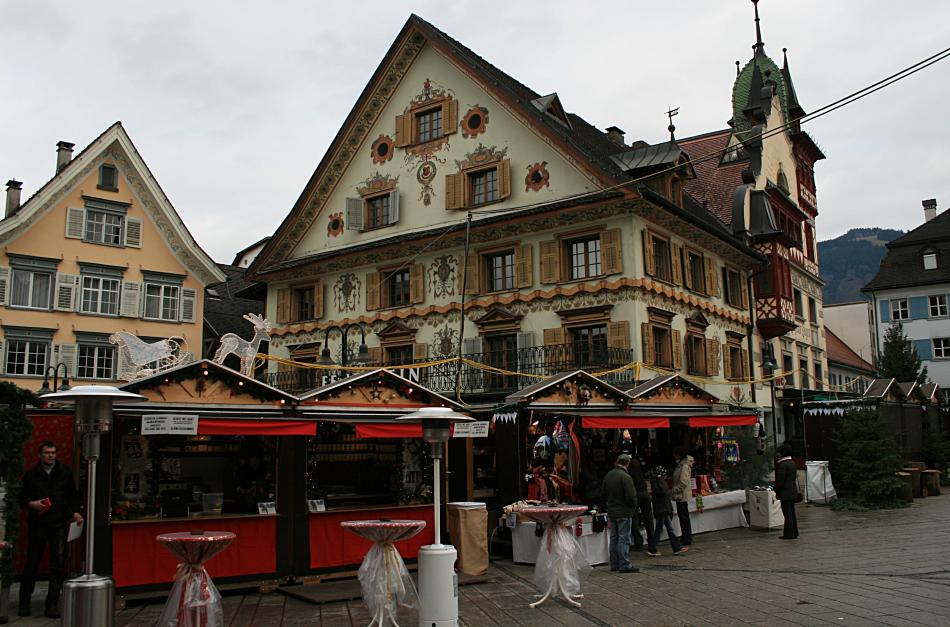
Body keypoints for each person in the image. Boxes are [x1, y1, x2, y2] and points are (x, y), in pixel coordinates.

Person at [18, 441, 82, 618]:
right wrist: (32, 504)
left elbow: (72, 495)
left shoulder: (64, 472)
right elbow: (21, 499)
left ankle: (52, 603)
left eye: (53, 452)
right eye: (47, 452)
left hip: (58, 523)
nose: (51, 455)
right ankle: (24, 601)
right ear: (40, 454)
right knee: (32, 562)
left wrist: (75, 512)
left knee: (58, 563)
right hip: (38, 524)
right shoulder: (31, 475)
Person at [602, 453, 638, 573]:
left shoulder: (609, 475)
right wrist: (632, 507)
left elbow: (604, 493)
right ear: (627, 464)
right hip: (624, 511)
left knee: (614, 538)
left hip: (612, 511)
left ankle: (615, 563)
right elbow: (631, 497)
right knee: (623, 538)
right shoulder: (626, 477)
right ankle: (624, 564)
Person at [647, 466, 688, 556]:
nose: (665, 477)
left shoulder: (656, 482)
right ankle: (653, 548)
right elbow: (664, 493)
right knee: (663, 529)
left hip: (662, 509)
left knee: (668, 529)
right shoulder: (659, 482)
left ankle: (676, 547)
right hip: (663, 509)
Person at [626, 452, 654, 552]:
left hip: (635, 492)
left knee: (634, 518)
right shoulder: (638, 462)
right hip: (643, 491)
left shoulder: (628, 466)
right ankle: (652, 540)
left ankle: (639, 542)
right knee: (648, 517)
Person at [774, 442, 800, 539]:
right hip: (792, 491)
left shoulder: (783, 465)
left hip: (785, 492)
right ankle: (794, 532)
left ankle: (789, 534)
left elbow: (780, 480)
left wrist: (775, 488)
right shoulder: (792, 463)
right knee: (792, 513)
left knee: (787, 514)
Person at [671, 450, 694, 546]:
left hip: (682, 495)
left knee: (684, 516)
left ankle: (687, 537)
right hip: (680, 494)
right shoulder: (681, 465)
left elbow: (683, 482)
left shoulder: (684, 466)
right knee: (683, 516)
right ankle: (686, 536)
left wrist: (675, 490)